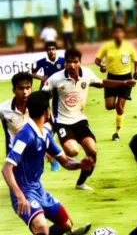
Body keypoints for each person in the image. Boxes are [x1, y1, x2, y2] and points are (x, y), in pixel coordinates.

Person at [42, 49, 136, 190]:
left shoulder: (86, 74)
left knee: (92, 152)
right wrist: (47, 121)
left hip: (80, 120)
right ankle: (58, 154)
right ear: (64, 63)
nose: (72, 65)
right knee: (73, 151)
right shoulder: (55, 79)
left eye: (75, 61)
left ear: (80, 62)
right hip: (62, 122)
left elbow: (102, 83)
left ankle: (81, 183)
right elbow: (42, 99)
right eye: (69, 62)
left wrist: (123, 83)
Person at [2, 91, 93, 235]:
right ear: (47, 111)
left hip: (39, 190)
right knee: (42, 227)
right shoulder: (26, 134)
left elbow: (65, 161)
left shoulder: (45, 133)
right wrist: (19, 195)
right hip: (25, 192)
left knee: (66, 225)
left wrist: (80, 164)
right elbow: (7, 168)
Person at [95, 25, 137, 141]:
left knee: (119, 106)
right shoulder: (106, 47)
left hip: (126, 78)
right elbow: (97, 60)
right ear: (113, 34)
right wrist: (101, 66)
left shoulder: (129, 47)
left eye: (120, 32)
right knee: (109, 106)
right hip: (111, 78)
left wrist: (136, 73)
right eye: (116, 32)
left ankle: (117, 133)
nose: (118, 35)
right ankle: (120, 107)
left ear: (123, 34)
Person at [0, 72, 32, 156]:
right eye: (21, 88)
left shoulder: (37, 107)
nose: (25, 92)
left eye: (28, 88)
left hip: (33, 154)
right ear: (14, 90)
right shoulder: (3, 108)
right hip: (13, 153)